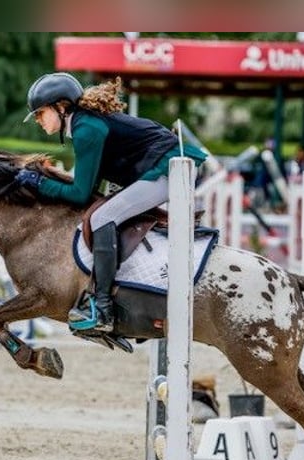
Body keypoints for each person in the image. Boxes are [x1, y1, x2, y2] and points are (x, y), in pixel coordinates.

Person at [18, 72, 206, 332]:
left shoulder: (87, 129)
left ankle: (102, 307)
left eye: (40, 113)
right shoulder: (83, 125)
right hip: (160, 165)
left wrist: (39, 183)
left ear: (61, 107)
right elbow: (89, 189)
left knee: (102, 218)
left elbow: (79, 194)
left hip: (170, 167)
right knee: (103, 212)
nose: (38, 120)